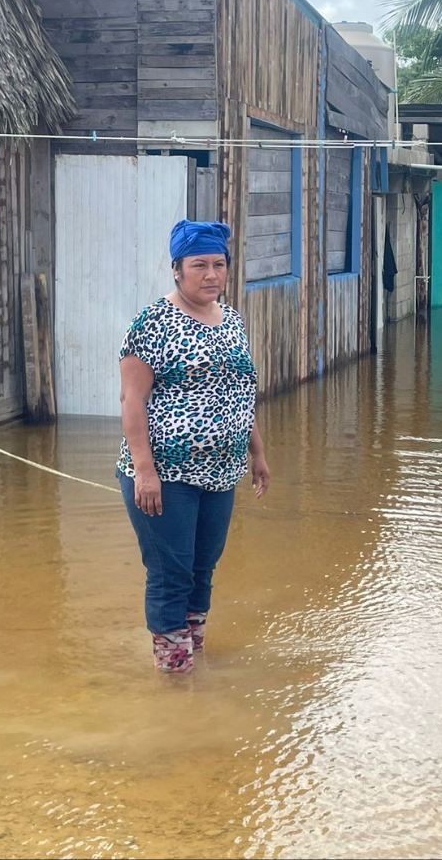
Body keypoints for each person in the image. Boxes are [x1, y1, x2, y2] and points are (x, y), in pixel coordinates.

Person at [117, 219, 270, 673]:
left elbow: (240, 392)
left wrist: (256, 452)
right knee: (170, 573)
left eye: (218, 264)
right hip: (166, 476)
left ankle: (191, 655)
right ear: (177, 270)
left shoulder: (233, 320)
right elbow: (132, 401)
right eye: (198, 265)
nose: (210, 274)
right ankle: (174, 674)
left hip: (221, 474)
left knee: (203, 568)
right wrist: (145, 471)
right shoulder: (152, 323)